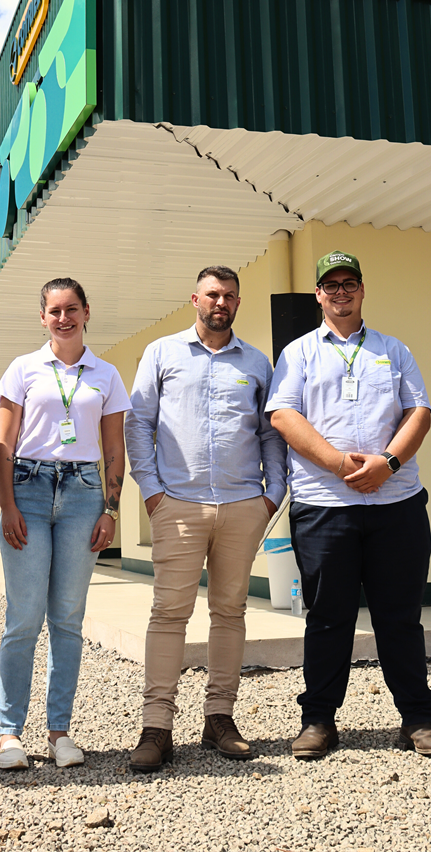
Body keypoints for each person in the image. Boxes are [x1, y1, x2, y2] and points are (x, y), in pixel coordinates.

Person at [266, 250, 431, 759]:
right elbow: (282, 415)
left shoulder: (394, 350)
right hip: (324, 506)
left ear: (363, 289)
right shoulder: (299, 353)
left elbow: (419, 412)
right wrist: (337, 463)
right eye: (331, 285)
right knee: (329, 618)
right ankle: (318, 721)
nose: (341, 292)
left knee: (400, 617)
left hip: (397, 502)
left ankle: (419, 720)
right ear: (319, 295)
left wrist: (387, 464)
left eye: (349, 283)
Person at [124, 266, 287, 772]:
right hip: (178, 504)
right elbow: (139, 423)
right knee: (169, 613)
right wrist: (153, 492)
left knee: (230, 612)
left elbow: (269, 433)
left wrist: (271, 495)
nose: (221, 302)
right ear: (195, 299)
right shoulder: (162, 353)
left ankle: (219, 719)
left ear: (237, 303)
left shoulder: (256, 362)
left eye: (230, 296)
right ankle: (156, 727)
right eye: (213, 294)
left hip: (243, 505)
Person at [0, 278, 132, 769]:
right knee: (24, 618)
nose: (64, 318)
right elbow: (4, 445)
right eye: (54, 310)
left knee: (68, 619)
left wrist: (111, 510)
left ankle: (59, 733)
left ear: (86, 312)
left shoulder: (106, 374)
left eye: (72, 309)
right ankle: (10, 733)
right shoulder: (22, 369)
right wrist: (7, 506)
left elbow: (114, 448)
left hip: (83, 495)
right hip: (28, 490)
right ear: (43, 317)